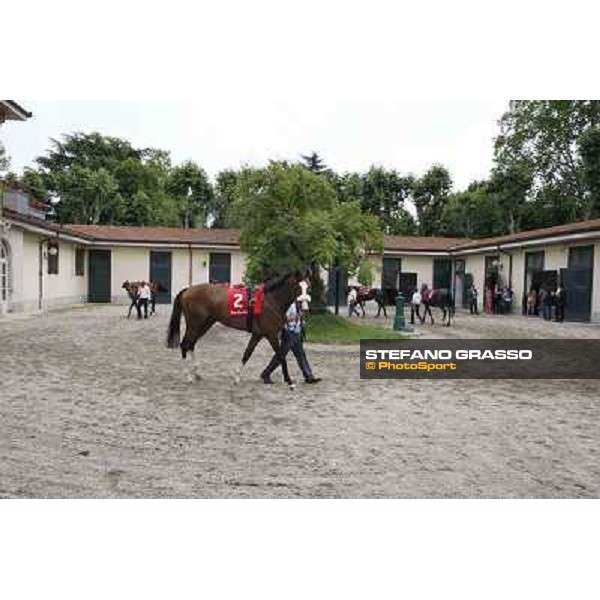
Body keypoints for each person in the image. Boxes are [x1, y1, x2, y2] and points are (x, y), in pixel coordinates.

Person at [261, 285, 321, 385]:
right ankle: (266, 373)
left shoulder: (298, 305)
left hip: (296, 332)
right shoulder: (288, 305)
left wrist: (301, 317)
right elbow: (284, 318)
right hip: (289, 332)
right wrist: (297, 317)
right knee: (280, 356)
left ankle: (309, 376)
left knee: (301, 355)